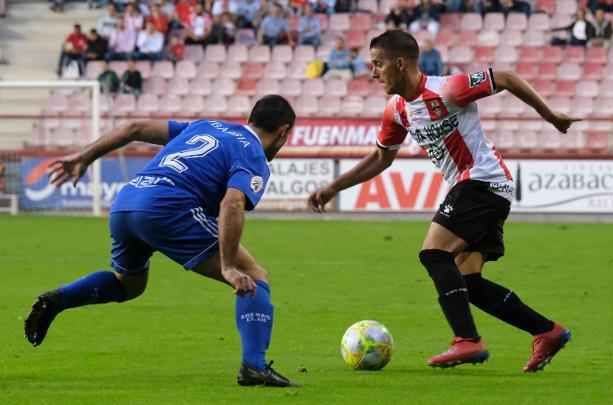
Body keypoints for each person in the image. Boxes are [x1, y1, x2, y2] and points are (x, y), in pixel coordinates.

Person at [308, 30, 579, 373]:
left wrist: (551, 116)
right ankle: (547, 331)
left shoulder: (447, 88)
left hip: (482, 181)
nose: (373, 73)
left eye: (378, 64)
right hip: (481, 189)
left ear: (400, 63)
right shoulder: (397, 110)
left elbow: (506, 78)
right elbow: (381, 158)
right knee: (469, 283)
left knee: (434, 254)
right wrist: (334, 187)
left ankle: (467, 340)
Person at [24, 95, 298, 388]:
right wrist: (228, 266)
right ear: (283, 131)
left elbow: (133, 127)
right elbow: (232, 203)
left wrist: (84, 156)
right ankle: (254, 367)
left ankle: (59, 298)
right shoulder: (252, 152)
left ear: (250, 118)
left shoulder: (206, 126)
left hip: (127, 201)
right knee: (254, 276)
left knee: (128, 284)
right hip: (168, 208)